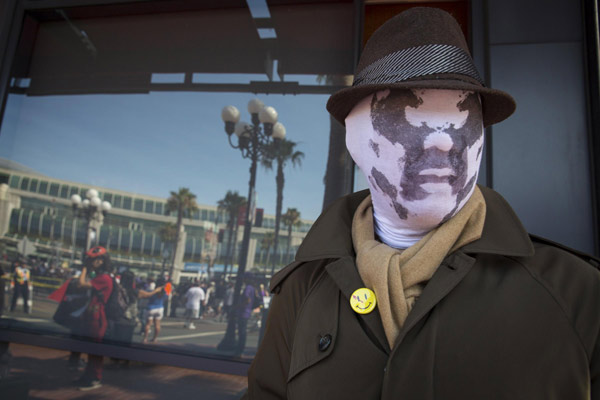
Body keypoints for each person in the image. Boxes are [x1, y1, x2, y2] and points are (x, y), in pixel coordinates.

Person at [245, 8, 600, 400]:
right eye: (405, 117)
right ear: (356, 139)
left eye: (462, 118)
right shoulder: (303, 287)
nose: (443, 142)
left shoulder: (578, 295)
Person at [73, 246, 113, 391]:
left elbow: (80, 284)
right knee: (90, 349)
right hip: (92, 315)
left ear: (101, 261)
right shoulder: (100, 276)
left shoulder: (104, 278)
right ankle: (88, 377)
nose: (91, 262)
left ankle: (95, 379)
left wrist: (84, 269)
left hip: (98, 317)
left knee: (95, 351)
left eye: (93, 259)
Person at [234, 274, 256, 357]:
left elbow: (247, 300)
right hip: (247, 312)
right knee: (242, 332)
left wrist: (238, 306)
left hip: (243, 312)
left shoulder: (248, 288)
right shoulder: (252, 288)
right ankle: (240, 349)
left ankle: (239, 350)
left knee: (241, 332)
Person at [142, 277, 167, 343]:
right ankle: (155, 338)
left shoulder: (152, 291)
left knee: (148, 324)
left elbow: (147, 296)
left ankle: (145, 338)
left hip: (151, 307)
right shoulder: (164, 293)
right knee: (157, 324)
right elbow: (165, 299)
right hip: (160, 308)